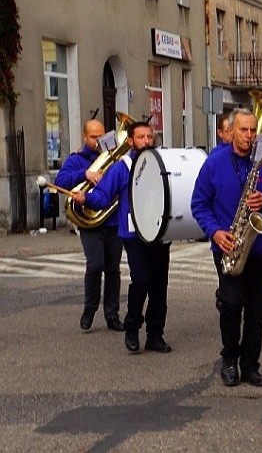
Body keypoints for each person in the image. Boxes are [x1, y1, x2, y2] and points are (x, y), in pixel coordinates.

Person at [71, 122, 173, 354]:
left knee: (159, 285)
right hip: (134, 233)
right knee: (142, 280)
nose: (146, 141)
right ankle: (132, 329)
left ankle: (155, 335)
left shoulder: (162, 162)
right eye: (141, 137)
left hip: (159, 232)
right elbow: (104, 195)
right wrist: (86, 198)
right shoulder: (122, 167)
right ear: (130, 141)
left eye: (149, 136)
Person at [191, 108, 262, 388]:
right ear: (230, 131)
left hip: (259, 248)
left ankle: (251, 366)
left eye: (253, 131)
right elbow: (199, 204)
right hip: (229, 246)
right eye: (243, 130)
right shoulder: (214, 163)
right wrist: (215, 232)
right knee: (231, 305)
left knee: (257, 310)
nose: (249, 136)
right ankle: (229, 358)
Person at [55, 119, 124, 332]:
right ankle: (89, 309)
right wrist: (85, 174)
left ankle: (112, 315)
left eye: (101, 136)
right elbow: (60, 181)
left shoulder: (115, 157)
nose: (98, 140)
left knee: (113, 269)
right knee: (95, 265)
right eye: (93, 136)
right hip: (89, 221)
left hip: (111, 220)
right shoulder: (77, 159)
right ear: (85, 137)